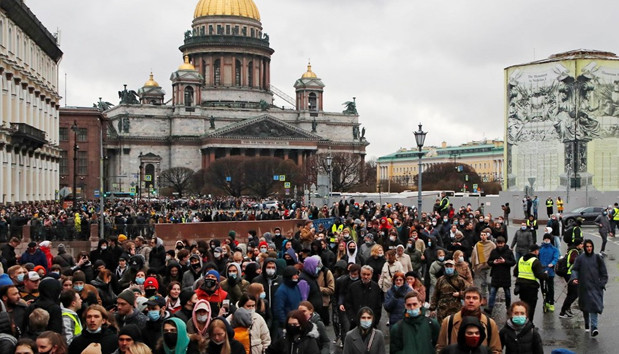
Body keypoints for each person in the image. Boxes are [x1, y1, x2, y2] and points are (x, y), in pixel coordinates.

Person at [436, 287, 502, 354]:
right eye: (468, 298)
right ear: (464, 300)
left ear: (481, 301)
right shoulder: (448, 321)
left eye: (475, 298)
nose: (471, 301)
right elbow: (440, 348)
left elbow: (496, 350)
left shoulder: (490, 324)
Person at [571, 239, 608, 336]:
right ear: (584, 247)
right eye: (587, 247)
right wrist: (574, 278)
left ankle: (594, 327)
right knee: (585, 307)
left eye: (590, 246)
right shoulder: (580, 258)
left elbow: (604, 273)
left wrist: (602, 283)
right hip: (584, 287)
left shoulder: (597, 258)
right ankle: (587, 324)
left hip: (595, 287)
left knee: (594, 307)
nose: (589, 248)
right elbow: (574, 269)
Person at [514, 244, 548, 321]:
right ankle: (529, 324)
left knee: (523, 306)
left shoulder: (521, 259)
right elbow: (540, 275)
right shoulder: (535, 261)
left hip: (521, 286)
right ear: (535, 251)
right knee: (531, 307)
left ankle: (522, 322)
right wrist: (545, 275)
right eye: (538, 250)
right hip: (531, 287)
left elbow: (515, 272)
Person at [345, 265, 382, 329]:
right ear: (360, 274)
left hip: (371, 323)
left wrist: (375, 321)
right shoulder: (353, 287)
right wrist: (353, 319)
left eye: (368, 274)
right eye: (364, 274)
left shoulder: (376, 287)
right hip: (355, 323)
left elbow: (378, 306)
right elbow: (348, 304)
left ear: (371, 275)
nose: (366, 277)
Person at [486, 237, 515, 316]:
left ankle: (508, 308)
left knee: (507, 294)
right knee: (492, 293)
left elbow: (513, 262)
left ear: (504, 243)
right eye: (498, 243)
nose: (500, 245)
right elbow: (489, 262)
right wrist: (494, 262)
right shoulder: (494, 252)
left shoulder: (509, 252)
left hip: (505, 275)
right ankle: (490, 308)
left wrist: (505, 261)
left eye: (501, 243)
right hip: (496, 275)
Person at [559, 238, 583, 319]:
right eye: (581, 244)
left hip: (569, 274)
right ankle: (563, 311)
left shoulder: (572, 250)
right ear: (578, 245)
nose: (582, 245)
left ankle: (566, 310)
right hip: (570, 275)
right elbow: (573, 260)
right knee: (574, 294)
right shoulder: (574, 251)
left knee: (570, 293)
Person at [470, 228, 495, 305]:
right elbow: (474, 255)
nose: (483, 236)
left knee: (489, 282)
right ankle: (484, 298)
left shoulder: (491, 244)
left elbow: (495, 253)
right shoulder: (477, 245)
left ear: (486, 236)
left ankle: (491, 296)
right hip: (480, 267)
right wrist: (474, 264)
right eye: (481, 235)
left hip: (489, 266)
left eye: (484, 235)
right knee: (483, 284)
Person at [539, 233, 559, 313]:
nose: (546, 240)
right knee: (543, 288)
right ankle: (546, 301)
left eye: (548, 239)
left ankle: (551, 302)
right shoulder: (540, 248)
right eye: (545, 239)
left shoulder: (554, 249)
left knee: (550, 287)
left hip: (550, 271)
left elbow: (555, 258)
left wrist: (552, 264)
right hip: (541, 271)